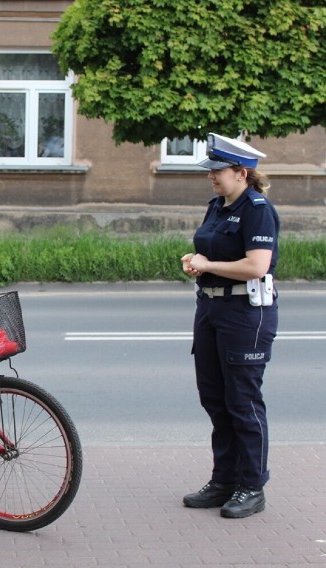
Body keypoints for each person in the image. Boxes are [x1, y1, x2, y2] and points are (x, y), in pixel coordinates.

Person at [180, 133, 279, 519]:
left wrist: (207, 265)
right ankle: (224, 480)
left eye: (218, 171)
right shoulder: (218, 206)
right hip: (211, 309)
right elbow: (211, 250)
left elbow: (257, 265)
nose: (211, 177)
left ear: (241, 172)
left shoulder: (257, 209)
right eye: (211, 171)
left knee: (243, 401)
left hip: (245, 313)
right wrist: (197, 258)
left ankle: (252, 486)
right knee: (215, 399)